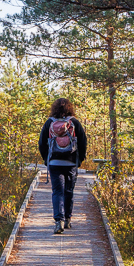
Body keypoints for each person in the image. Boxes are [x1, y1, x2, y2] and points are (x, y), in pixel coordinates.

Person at [39, 98, 87, 233]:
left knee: (57, 191)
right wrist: (79, 160)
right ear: (70, 108)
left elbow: (42, 143)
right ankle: (67, 220)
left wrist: (46, 159)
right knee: (69, 191)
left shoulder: (49, 123)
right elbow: (83, 142)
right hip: (71, 163)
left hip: (54, 163)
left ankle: (58, 222)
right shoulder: (74, 123)